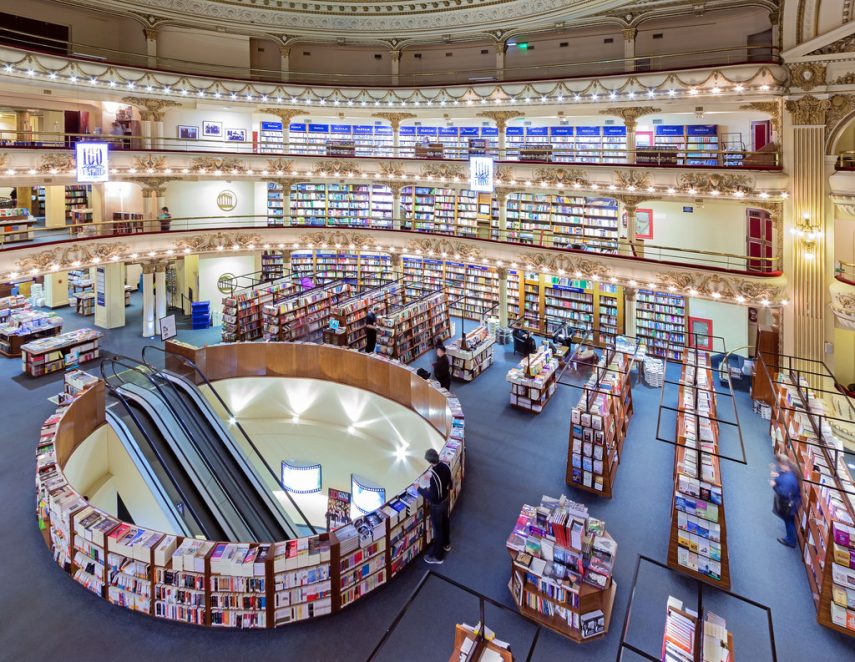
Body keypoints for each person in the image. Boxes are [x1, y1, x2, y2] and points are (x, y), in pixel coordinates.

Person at [418, 448, 452, 564]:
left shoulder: (434, 476)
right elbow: (449, 484)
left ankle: (438, 557)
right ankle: (447, 544)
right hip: (445, 500)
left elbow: (432, 497)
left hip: (437, 505)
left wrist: (419, 489)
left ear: (430, 462)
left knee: (438, 530)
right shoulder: (446, 467)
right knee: (445, 522)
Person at [770, 453, 802, 548]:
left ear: (784, 464)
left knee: (789, 521)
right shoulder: (789, 470)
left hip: (790, 504)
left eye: (779, 465)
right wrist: (777, 475)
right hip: (792, 501)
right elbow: (782, 476)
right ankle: (790, 538)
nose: (779, 467)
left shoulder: (789, 479)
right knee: (789, 520)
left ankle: (790, 541)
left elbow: (783, 493)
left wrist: (774, 485)